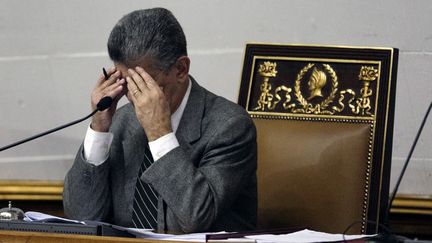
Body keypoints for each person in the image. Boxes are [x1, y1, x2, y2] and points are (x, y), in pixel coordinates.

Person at [63, 8, 257, 233]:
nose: (135, 98)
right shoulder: (121, 121)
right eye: (127, 83)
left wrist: (160, 134)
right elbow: (81, 216)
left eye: (144, 83)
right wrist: (98, 128)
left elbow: (195, 218)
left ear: (181, 69)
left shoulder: (229, 126)